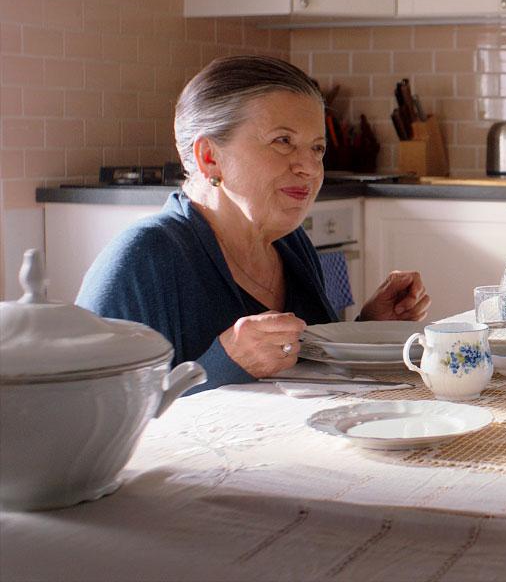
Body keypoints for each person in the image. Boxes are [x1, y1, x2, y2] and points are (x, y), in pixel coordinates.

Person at [78, 56, 431, 393]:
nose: (309, 167)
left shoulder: (292, 245)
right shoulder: (141, 261)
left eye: (317, 148)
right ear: (210, 157)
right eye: (283, 141)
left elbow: (308, 374)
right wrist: (223, 363)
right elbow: (95, 422)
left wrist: (368, 329)